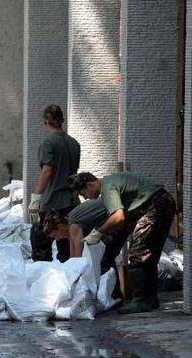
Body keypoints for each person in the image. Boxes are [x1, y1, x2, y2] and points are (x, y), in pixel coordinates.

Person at [67, 171, 176, 313]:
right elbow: (119, 223)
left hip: (156, 204)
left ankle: (142, 300)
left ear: (90, 184)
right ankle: (118, 298)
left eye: (84, 194)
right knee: (110, 249)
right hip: (151, 205)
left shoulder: (107, 188)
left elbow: (119, 217)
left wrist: (98, 232)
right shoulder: (109, 183)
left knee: (139, 253)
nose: (86, 198)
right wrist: (107, 239)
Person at [28, 104, 81, 263]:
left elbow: (47, 171)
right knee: (65, 243)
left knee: (40, 243)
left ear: (46, 122)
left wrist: (35, 199)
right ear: (61, 120)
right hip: (72, 202)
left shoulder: (49, 143)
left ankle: (43, 280)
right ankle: (66, 280)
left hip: (51, 202)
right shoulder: (74, 143)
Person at [43, 199, 127, 297]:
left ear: (60, 227)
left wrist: (73, 284)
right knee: (102, 258)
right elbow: (72, 257)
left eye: (55, 235)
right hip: (112, 215)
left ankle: (114, 297)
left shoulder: (73, 227)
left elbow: (79, 260)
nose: (57, 239)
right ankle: (111, 296)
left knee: (105, 260)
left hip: (117, 215)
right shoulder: (70, 225)